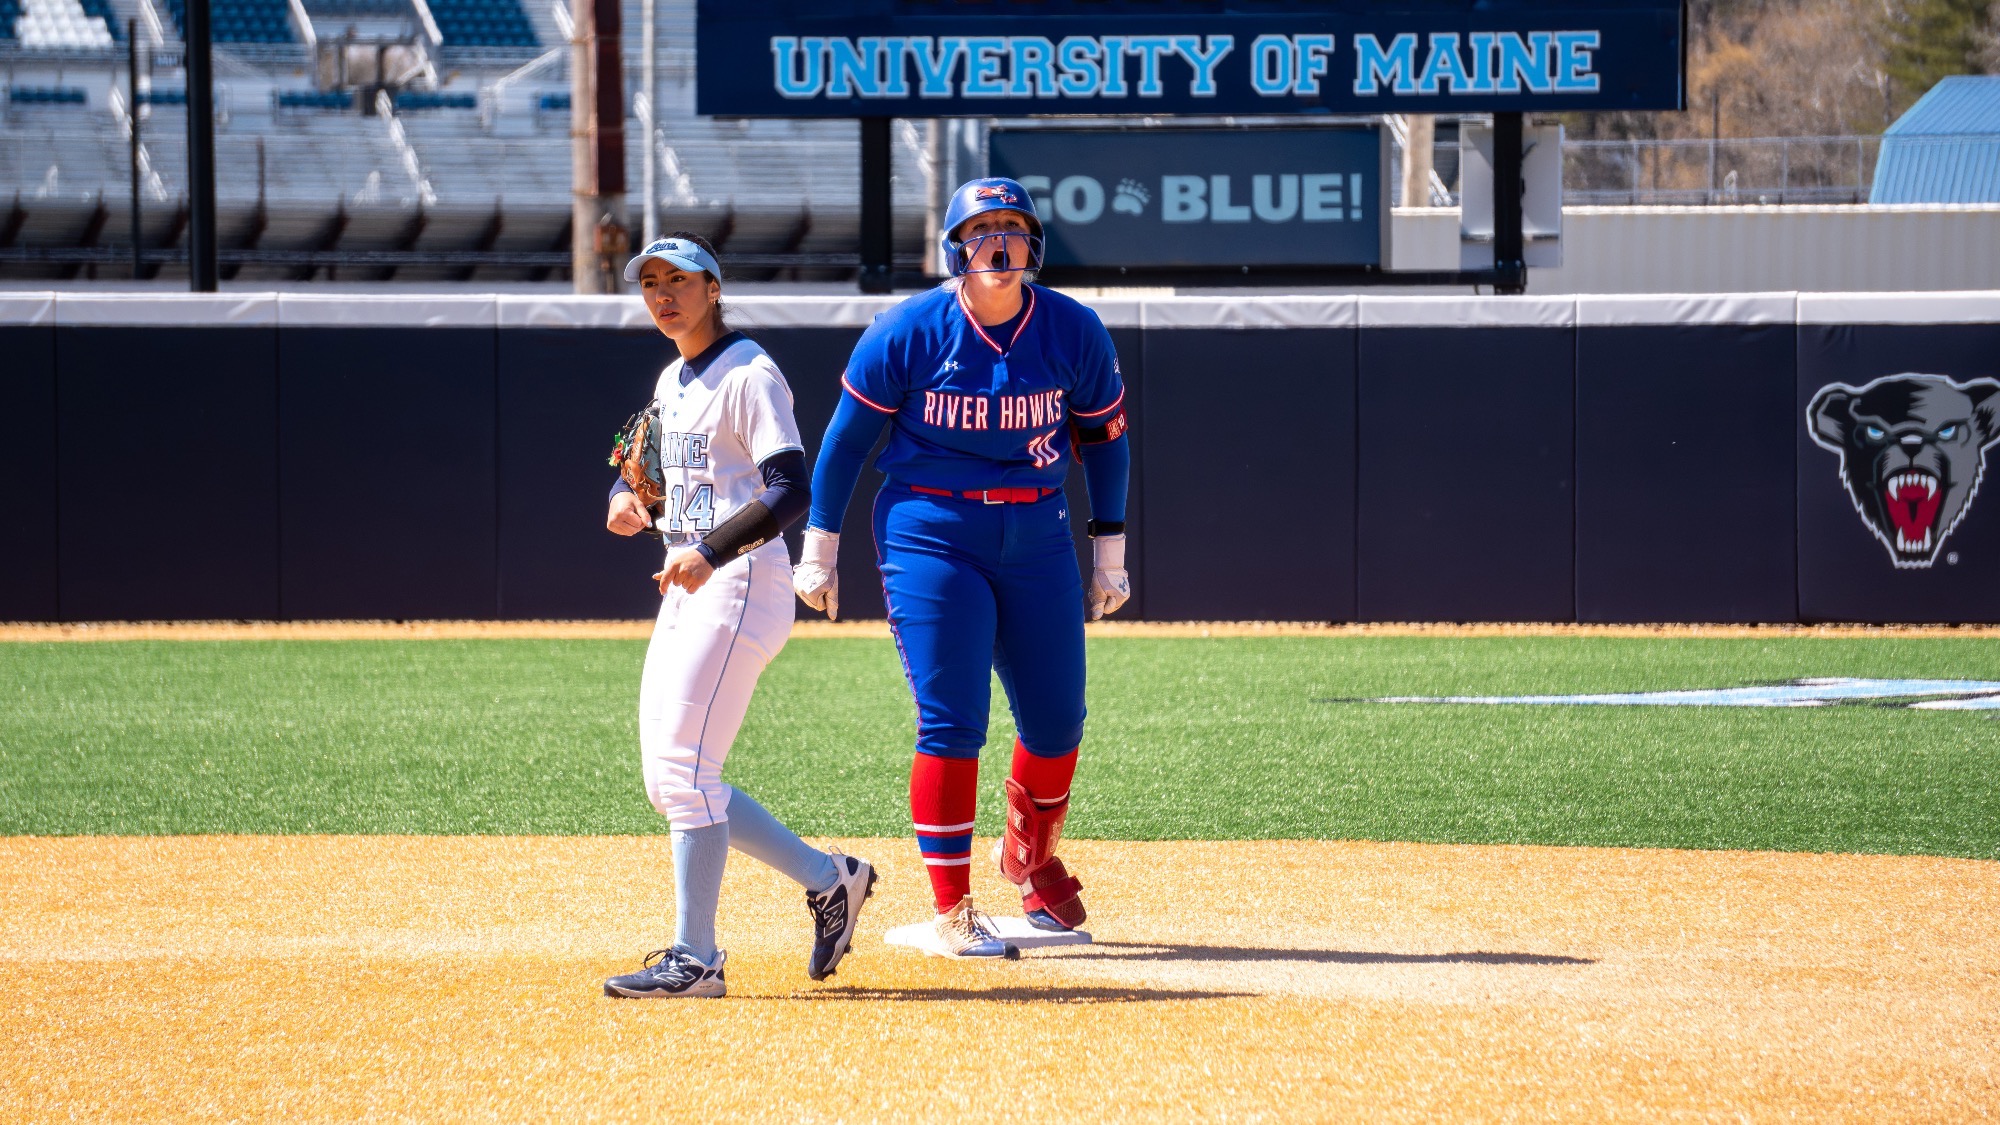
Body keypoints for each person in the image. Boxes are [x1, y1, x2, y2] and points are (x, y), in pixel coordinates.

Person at [794, 179, 1131, 959]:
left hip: (1039, 529)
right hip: (932, 529)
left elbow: (1107, 440)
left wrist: (1108, 547)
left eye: (1014, 226)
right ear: (955, 246)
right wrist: (820, 545)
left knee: (1057, 722)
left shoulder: (1073, 329)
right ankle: (952, 909)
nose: (1000, 243)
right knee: (953, 717)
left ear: (1036, 242)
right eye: (982, 229)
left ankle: (1027, 858)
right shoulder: (908, 329)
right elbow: (846, 443)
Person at [601, 233, 876, 998]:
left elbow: (789, 490)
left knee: (686, 773)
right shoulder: (671, 376)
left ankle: (696, 957)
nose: (663, 293)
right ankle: (832, 879)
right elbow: (655, 475)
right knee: (674, 780)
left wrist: (712, 550)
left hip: (742, 580)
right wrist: (630, 500)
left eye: (679, 279)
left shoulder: (750, 372)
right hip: (692, 582)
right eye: (650, 281)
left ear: (713, 288)